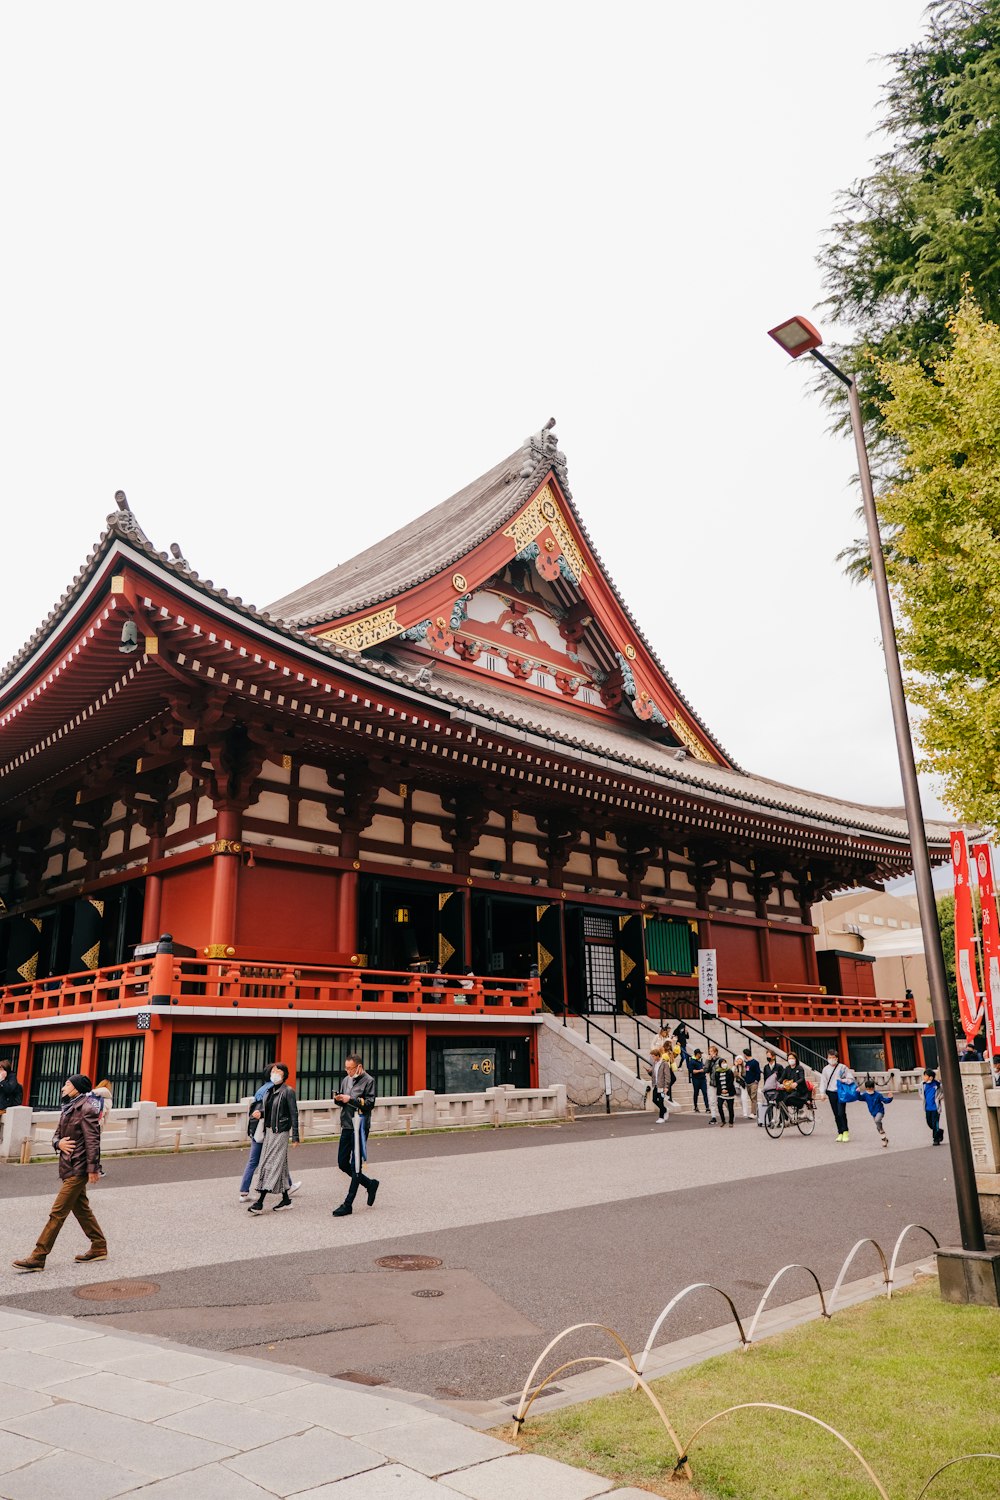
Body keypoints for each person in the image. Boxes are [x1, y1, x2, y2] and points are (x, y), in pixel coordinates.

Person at [12, 1073, 106, 1272]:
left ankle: (38, 1256)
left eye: (67, 1084)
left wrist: (93, 1168)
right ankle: (99, 1246)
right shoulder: (68, 1108)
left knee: (57, 1212)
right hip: (68, 1166)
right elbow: (57, 1135)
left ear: (77, 1088)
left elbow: (92, 1140)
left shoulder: (87, 1109)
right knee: (82, 1210)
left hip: (78, 1168)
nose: (63, 1087)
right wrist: (58, 1143)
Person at [247, 1062, 299, 1214]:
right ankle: (286, 1200)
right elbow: (268, 1111)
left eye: (277, 1071)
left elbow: (293, 1113)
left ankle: (259, 1203)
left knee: (269, 1164)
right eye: (273, 1071)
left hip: (281, 1132)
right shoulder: (270, 1091)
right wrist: (260, 1113)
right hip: (269, 1131)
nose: (274, 1073)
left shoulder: (288, 1091)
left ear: (284, 1074)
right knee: (279, 1166)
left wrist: (295, 1135)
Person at [332, 1053, 378, 1217]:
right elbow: (343, 1101)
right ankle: (370, 1184)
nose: (347, 1072)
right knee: (342, 1163)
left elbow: (370, 1104)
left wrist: (350, 1099)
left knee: (355, 1165)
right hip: (346, 1125)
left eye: (350, 1068)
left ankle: (348, 1203)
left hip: (360, 1126)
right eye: (346, 1068)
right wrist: (338, 1099)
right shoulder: (346, 1080)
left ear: (359, 1066)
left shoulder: (369, 1081)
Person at [819, 1050, 855, 1143]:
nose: (831, 1059)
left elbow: (851, 1079)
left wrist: (843, 1080)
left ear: (837, 1058)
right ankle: (840, 1132)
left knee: (841, 1112)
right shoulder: (825, 1069)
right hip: (831, 1093)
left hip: (841, 1092)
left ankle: (845, 1131)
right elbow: (823, 1081)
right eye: (830, 1057)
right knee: (836, 1113)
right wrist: (822, 1093)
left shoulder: (843, 1067)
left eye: (833, 1058)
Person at [861, 1075, 892, 1147]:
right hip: (873, 1112)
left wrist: (890, 1098)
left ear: (873, 1088)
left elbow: (885, 1100)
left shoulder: (878, 1095)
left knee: (877, 1120)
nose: (869, 1090)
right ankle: (884, 1139)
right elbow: (859, 1097)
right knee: (877, 1125)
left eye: (870, 1089)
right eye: (868, 1089)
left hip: (880, 1111)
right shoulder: (865, 1095)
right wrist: (857, 1092)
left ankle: (881, 1130)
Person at [758, 1050, 780, 1126]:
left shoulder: (779, 1067)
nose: (768, 1057)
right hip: (768, 1089)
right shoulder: (766, 1067)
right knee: (769, 1105)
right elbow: (765, 1079)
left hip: (777, 1089)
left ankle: (780, 1120)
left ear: (773, 1057)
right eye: (767, 1056)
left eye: (769, 1055)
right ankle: (771, 1121)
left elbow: (782, 1077)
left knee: (779, 1105)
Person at [922, 1069, 944, 1145]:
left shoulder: (937, 1085)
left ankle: (936, 1139)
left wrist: (939, 1098)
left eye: (925, 1076)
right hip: (927, 1108)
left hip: (935, 1108)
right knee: (929, 1123)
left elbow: (943, 1092)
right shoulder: (923, 1084)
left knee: (935, 1124)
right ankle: (939, 1131)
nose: (924, 1077)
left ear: (930, 1077)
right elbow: (921, 1093)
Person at [715, 1057, 737, 1127]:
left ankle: (731, 1121)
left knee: (730, 1108)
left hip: (729, 1092)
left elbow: (731, 1081)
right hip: (721, 1092)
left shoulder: (729, 1071)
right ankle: (723, 1120)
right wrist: (721, 1090)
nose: (724, 1064)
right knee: (719, 1106)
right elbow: (717, 1083)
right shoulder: (717, 1072)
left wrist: (727, 1089)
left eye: (725, 1062)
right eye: (722, 1063)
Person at [687, 1048, 709, 1114]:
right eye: (700, 1054)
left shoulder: (700, 1060)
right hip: (696, 1079)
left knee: (705, 1093)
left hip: (702, 1079)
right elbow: (692, 1071)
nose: (701, 1055)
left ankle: (707, 1107)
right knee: (696, 1093)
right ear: (697, 1054)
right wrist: (700, 1070)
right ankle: (695, 1106)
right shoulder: (692, 1061)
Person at [705, 1045, 721, 1123]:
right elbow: (706, 1070)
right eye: (709, 1051)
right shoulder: (709, 1060)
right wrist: (708, 1060)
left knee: (723, 1100)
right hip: (712, 1083)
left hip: (720, 1083)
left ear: (715, 1052)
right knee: (712, 1100)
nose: (710, 1053)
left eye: (711, 1051)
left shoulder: (720, 1060)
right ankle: (713, 1117)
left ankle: (731, 1114)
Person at [743, 1049, 761, 1119]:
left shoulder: (755, 1062)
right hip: (748, 1082)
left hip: (753, 1082)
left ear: (745, 1054)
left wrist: (757, 1080)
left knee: (753, 1097)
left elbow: (758, 1072)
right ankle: (756, 1110)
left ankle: (753, 1113)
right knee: (751, 1097)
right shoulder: (747, 1063)